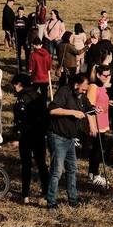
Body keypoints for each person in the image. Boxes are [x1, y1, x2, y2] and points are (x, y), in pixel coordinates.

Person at [46, 73, 94, 209]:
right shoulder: (64, 92)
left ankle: (73, 198)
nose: (85, 92)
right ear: (76, 85)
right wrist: (72, 112)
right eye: (83, 89)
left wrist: (98, 109)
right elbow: (53, 110)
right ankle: (51, 201)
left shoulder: (81, 96)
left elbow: (89, 108)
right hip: (58, 137)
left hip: (70, 139)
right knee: (57, 171)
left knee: (72, 169)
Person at [10, 74, 50, 204]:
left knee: (26, 165)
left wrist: (16, 137)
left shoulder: (21, 99)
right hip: (39, 134)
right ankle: (46, 191)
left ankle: (25, 195)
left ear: (19, 85)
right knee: (41, 164)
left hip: (26, 135)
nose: (14, 88)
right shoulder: (38, 96)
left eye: (14, 85)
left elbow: (19, 120)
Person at [87, 64, 113, 186]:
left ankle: (92, 173)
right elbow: (89, 106)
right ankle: (96, 174)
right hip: (96, 123)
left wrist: (109, 102)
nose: (107, 77)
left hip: (103, 122)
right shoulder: (93, 87)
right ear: (98, 75)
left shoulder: (102, 87)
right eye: (105, 75)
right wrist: (92, 125)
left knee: (98, 149)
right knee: (97, 150)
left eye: (109, 75)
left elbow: (100, 100)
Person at [13, 5, 31, 73]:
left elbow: (29, 29)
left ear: (23, 12)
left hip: (24, 38)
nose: (20, 13)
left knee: (27, 53)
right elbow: (13, 28)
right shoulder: (15, 19)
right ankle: (19, 68)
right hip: (17, 39)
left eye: (21, 12)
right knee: (18, 54)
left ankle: (27, 67)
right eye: (19, 11)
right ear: (17, 12)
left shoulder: (26, 20)